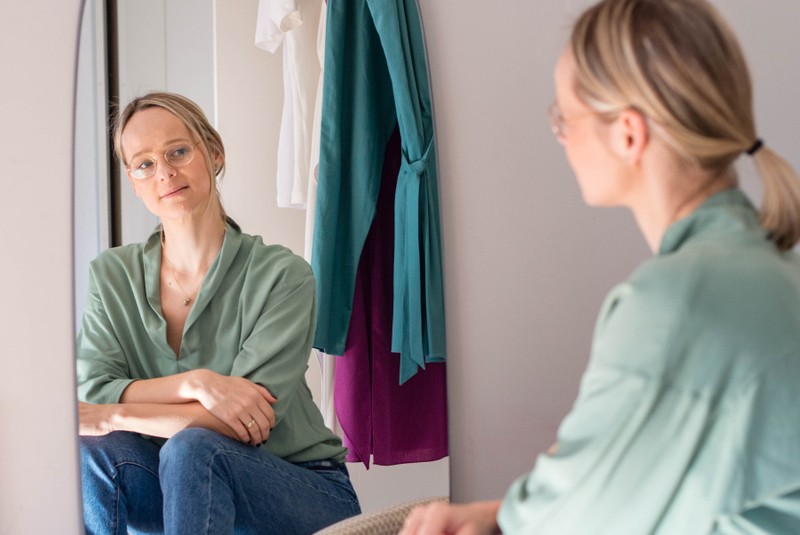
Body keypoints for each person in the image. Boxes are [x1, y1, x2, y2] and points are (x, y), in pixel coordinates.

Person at [401, 0, 800, 533]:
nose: (560, 134)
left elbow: (577, 512)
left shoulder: (677, 302)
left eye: (563, 115)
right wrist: (503, 514)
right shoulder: (771, 271)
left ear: (628, 133)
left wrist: (507, 516)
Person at [77, 92, 361, 534]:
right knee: (95, 450)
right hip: (177, 486)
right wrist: (197, 384)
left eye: (178, 151)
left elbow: (246, 422)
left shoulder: (283, 275)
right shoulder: (111, 275)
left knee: (193, 449)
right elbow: (93, 389)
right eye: (145, 163)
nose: (165, 172)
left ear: (213, 152)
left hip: (300, 488)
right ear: (133, 181)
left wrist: (115, 413)